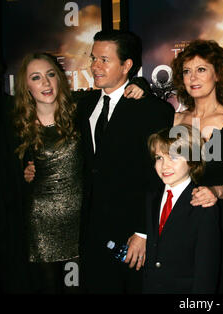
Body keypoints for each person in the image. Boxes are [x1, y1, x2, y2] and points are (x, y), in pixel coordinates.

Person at [0, 52, 145, 293]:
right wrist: (26, 174)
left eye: (51, 74)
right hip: (41, 223)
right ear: (26, 86)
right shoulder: (15, 123)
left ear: (60, 78)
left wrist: (139, 85)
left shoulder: (81, 108)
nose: (45, 83)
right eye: (36, 77)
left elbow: (115, 93)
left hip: (82, 221)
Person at [77, 30, 174, 293]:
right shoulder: (84, 106)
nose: (95, 66)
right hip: (90, 230)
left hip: (130, 231)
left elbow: (158, 176)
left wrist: (143, 232)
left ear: (127, 65)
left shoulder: (153, 111)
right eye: (93, 58)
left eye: (104, 60)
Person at [171, 39, 223, 293]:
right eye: (186, 71)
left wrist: (216, 191)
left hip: (219, 226)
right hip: (179, 223)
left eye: (201, 69)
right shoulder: (173, 119)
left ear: (218, 74)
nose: (193, 77)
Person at [143, 124, 220, 293]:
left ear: (192, 161)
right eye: (159, 158)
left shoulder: (202, 205)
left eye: (173, 157)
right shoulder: (152, 197)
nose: (164, 166)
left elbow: (206, 268)